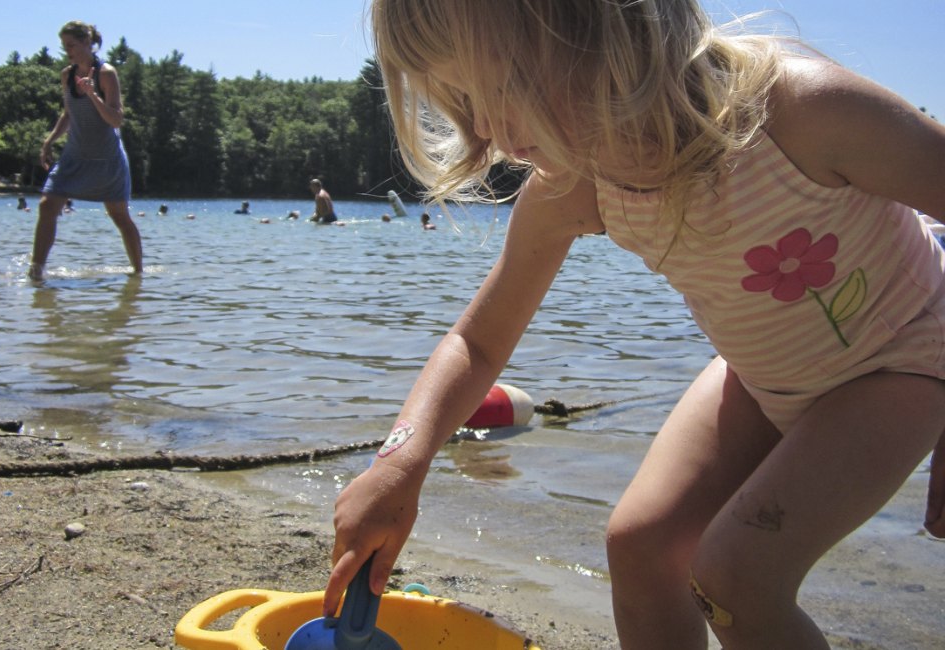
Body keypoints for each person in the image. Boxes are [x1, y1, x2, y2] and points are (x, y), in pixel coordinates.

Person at [324, 2, 945, 648]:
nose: (490, 130)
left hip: (904, 358)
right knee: (640, 548)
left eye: (501, 86)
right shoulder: (577, 186)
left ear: (600, 28)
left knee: (736, 576)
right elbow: (476, 342)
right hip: (769, 373)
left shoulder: (801, 110)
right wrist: (403, 460)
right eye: (464, 99)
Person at [28, 21, 142, 281]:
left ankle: (138, 275)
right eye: (64, 46)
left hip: (106, 160)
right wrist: (50, 140)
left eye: (72, 45)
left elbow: (115, 119)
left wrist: (92, 95)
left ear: (88, 43)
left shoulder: (106, 73)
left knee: (120, 217)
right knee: (47, 206)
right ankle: (36, 273)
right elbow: (69, 113)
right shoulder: (66, 75)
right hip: (74, 157)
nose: (68, 51)